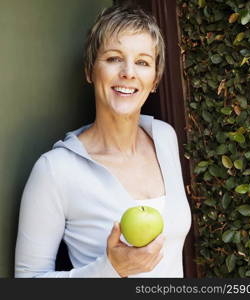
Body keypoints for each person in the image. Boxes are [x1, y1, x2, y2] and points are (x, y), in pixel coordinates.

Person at [14, 4, 191, 278]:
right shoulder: (55, 170)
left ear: (154, 80)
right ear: (89, 70)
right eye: (113, 58)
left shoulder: (164, 139)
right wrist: (111, 269)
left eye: (143, 62)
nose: (128, 72)